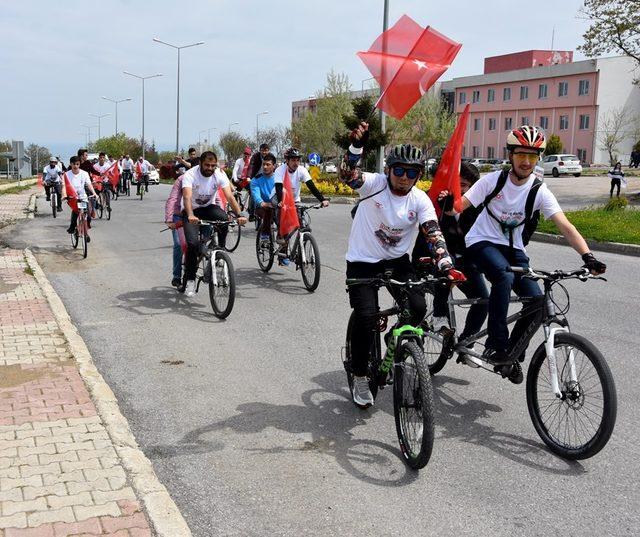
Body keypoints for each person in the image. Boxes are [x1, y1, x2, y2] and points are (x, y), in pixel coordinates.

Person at [459, 125, 607, 383]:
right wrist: (449, 202)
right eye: (520, 155)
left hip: (514, 249)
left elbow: (566, 226)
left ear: (538, 158)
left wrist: (588, 257)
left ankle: (512, 354)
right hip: (481, 242)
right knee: (503, 277)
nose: (526, 161)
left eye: (532, 156)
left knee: (537, 301)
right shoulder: (493, 181)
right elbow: (462, 204)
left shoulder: (539, 190)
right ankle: (496, 344)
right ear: (510, 155)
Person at [339, 123, 457, 408]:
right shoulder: (374, 185)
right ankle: (359, 376)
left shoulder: (420, 200)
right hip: (362, 262)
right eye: (399, 171)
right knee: (366, 318)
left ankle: (396, 336)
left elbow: (433, 232)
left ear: (419, 175)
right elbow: (347, 175)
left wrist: (446, 264)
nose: (405, 178)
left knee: (417, 309)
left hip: (396, 262)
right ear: (389, 170)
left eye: (412, 173)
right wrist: (355, 147)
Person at [412, 162, 488, 365]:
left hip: (464, 261)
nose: (463, 190)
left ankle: (466, 344)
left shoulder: (475, 206)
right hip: (431, 259)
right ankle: (438, 315)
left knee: (483, 300)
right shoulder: (434, 200)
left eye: (467, 186)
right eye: (459, 184)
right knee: (446, 268)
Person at [181, 151, 247, 297]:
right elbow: (187, 197)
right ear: (200, 164)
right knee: (192, 244)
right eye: (207, 165)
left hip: (208, 208)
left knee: (224, 219)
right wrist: (191, 215)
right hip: (191, 210)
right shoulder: (190, 175)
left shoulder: (218, 174)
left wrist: (239, 214)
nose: (210, 168)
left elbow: (229, 196)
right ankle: (190, 280)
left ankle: (220, 251)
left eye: (213, 165)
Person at [273, 147, 329, 265]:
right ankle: (281, 240)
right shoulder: (280, 170)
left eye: (298, 160)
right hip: (279, 197)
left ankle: (301, 253)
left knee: (302, 224)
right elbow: (278, 187)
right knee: (284, 220)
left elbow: (311, 186)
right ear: (287, 161)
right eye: (293, 160)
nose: (296, 163)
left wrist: (322, 199)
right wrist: (281, 202)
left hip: (294, 200)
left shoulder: (302, 170)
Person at [61, 156, 98, 240]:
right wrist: (64, 195)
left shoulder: (84, 173)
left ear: (79, 164)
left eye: (77, 164)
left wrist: (94, 193)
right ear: (70, 164)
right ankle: (72, 227)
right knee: (76, 211)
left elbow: (89, 184)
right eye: (74, 164)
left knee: (87, 216)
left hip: (82, 196)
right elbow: (64, 186)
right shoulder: (66, 175)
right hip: (72, 197)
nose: (76, 166)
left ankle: (85, 232)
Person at [250, 153, 277, 239]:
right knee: (267, 211)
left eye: (268, 165)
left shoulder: (279, 178)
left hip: (276, 205)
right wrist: (262, 203)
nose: (265, 167)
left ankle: (283, 249)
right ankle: (265, 237)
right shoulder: (256, 180)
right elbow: (256, 194)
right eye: (263, 164)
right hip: (262, 207)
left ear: (274, 166)